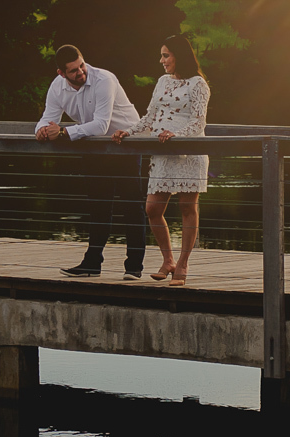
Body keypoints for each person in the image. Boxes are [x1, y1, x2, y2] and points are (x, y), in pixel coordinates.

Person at [36, 45, 148, 279]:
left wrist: (64, 133)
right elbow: (48, 117)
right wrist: (42, 131)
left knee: (131, 205)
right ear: (61, 73)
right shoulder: (57, 87)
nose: (81, 72)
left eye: (82, 65)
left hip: (125, 142)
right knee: (99, 205)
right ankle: (92, 264)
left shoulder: (104, 79)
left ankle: (134, 267)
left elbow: (101, 125)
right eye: (74, 71)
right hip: (93, 145)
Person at [112, 35, 210, 287]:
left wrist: (178, 136)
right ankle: (168, 260)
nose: (162, 60)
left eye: (166, 55)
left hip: (188, 152)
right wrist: (129, 131)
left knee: (188, 208)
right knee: (152, 209)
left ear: (180, 55)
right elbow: (150, 116)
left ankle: (183, 265)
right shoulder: (163, 81)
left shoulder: (198, 84)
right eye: (162, 55)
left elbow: (198, 122)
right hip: (162, 153)